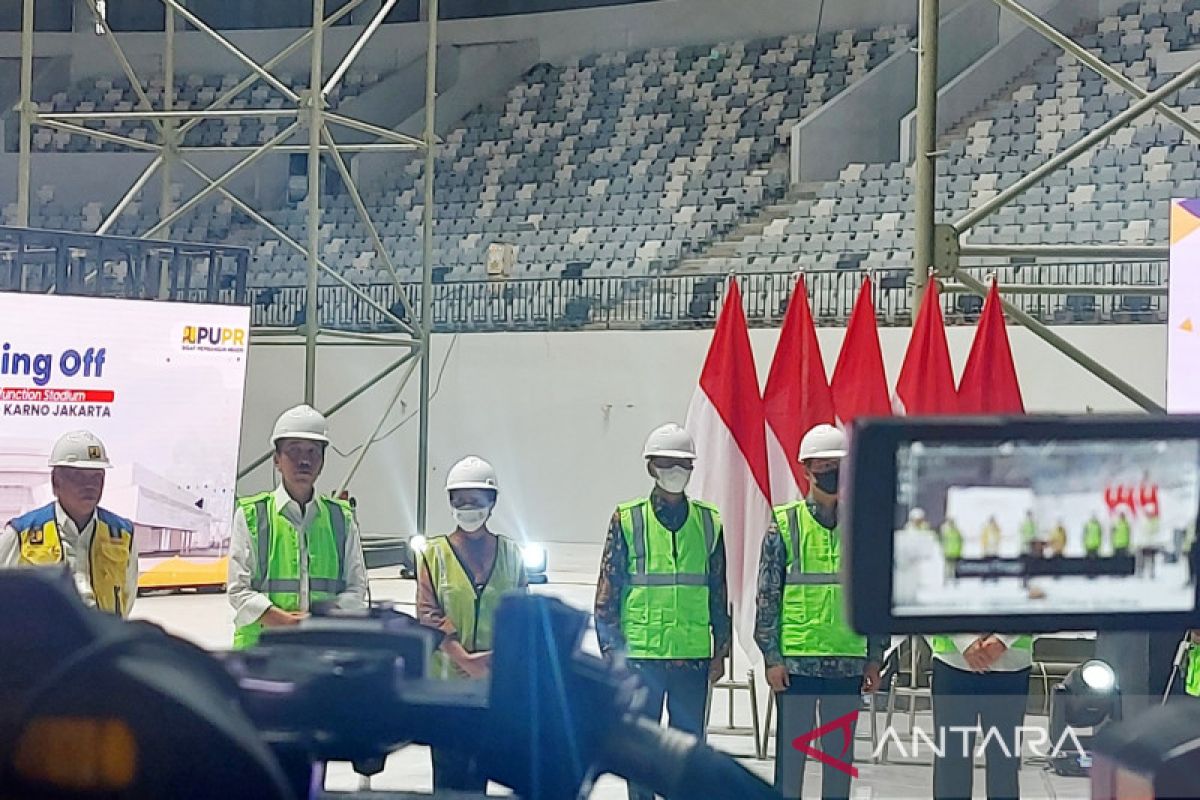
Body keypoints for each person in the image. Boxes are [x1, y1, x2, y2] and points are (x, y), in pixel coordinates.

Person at [594, 422, 730, 800]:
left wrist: (721, 650)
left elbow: (718, 593)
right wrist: (611, 655)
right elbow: (607, 594)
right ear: (651, 467)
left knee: (687, 752)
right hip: (639, 660)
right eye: (667, 462)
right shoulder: (628, 519)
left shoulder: (709, 521)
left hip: (692, 658)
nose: (676, 470)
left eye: (683, 462)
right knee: (639, 751)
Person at [755, 424, 884, 800]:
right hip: (796, 666)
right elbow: (767, 596)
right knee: (790, 767)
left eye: (839, 465)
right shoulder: (785, 523)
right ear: (806, 470)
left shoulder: (863, 526)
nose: (832, 473)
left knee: (838, 765)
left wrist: (875, 657)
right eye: (824, 465)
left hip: (847, 662)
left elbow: (874, 597)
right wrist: (771, 656)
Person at [416, 455, 527, 792]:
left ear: (492, 503)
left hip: (493, 691)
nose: (468, 507)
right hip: (447, 691)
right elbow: (427, 613)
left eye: (476, 500)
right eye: (461, 499)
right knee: (448, 779)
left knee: (483, 776)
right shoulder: (432, 554)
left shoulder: (511, 553)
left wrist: (495, 661)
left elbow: (521, 616)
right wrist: (464, 658)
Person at [227, 404, 367, 649]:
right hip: (261, 650)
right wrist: (287, 623)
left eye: (313, 451)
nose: (304, 460)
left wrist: (320, 620)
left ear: (323, 460)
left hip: (324, 649)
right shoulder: (251, 515)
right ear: (276, 460)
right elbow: (238, 590)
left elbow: (356, 587)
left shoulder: (341, 518)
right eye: (294, 451)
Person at [0, 430, 137, 616]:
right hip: (44, 642)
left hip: (102, 638)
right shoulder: (22, 533)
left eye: (96, 477)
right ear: (56, 481)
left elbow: (127, 596)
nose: (89, 485)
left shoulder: (122, 534)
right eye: (78, 476)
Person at [928, 632, 1032, 800]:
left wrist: (1004, 639)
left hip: (1011, 667)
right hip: (953, 665)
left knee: (1004, 764)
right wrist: (964, 641)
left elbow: (1038, 604)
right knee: (952, 763)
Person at [940, 516, 963, 582]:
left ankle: (953, 579)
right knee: (947, 567)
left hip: (955, 552)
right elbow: (943, 543)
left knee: (954, 567)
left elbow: (961, 542)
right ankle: (946, 579)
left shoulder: (957, 532)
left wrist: (960, 551)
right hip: (948, 553)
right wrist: (943, 550)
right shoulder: (946, 533)